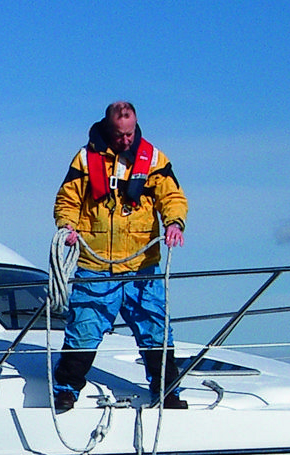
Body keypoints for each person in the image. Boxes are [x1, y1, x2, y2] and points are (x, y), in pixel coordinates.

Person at [52, 101, 189, 412]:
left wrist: (174, 223)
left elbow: (173, 197)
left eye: (129, 134)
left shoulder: (154, 159)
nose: (125, 140)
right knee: (84, 327)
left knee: (155, 327)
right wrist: (67, 226)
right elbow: (67, 198)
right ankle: (66, 390)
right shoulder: (86, 159)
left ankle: (167, 391)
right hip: (96, 266)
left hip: (142, 267)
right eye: (119, 134)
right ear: (108, 128)